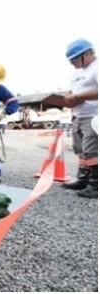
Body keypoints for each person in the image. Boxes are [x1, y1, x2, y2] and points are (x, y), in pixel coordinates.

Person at [61, 39, 98, 199]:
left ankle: (96, 184)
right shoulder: (77, 73)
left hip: (93, 115)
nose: (72, 63)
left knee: (91, 150)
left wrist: (79, 96)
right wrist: (67, 99)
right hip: (78, 115)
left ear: (87, 53)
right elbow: (72, 91)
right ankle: (83, 179)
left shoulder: (96, 67)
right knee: (80, 149)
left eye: (75, 59)